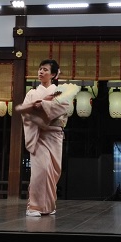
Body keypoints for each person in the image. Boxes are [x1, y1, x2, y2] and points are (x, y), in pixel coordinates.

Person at [16, 59, 72, 217]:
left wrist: (43, 105)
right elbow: (25, 112)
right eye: (40, 69)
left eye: (45, 70)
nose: (41, 72)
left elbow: (64, 108)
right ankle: (34, 207)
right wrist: (39, 107)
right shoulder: (32, 93)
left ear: (53, 74)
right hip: (38, 135)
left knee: (52, 171)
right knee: (40, 171)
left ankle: (48, 206)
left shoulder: (60, 92)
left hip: (54, 135)